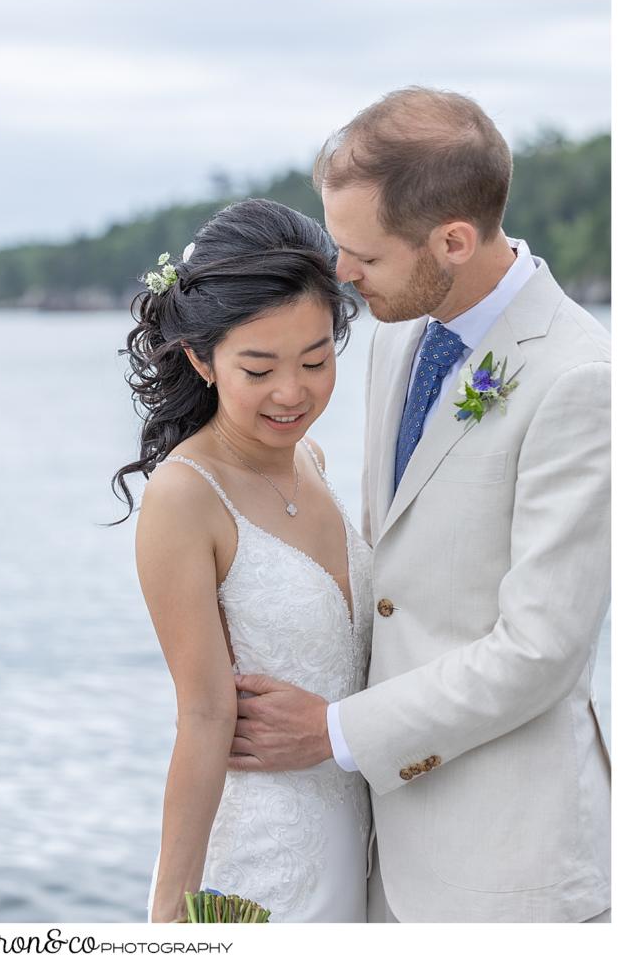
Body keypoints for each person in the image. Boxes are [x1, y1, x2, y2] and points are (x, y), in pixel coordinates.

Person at [228, 88, 611, 923]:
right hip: (373, 857)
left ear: (453, 240)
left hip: (505, 868)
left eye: (362, 253)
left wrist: (333, 733)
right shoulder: (401, 327)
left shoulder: (578, 380)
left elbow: (541, 651)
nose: (341, 273)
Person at [112, 199, 373, 923]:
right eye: (258, 368)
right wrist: (170, 912)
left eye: (315, 360)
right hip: (264, 862)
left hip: (362, 840)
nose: (292, 393)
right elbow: (200, 715)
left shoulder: (313, 462)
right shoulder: (185, 498)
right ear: (202, 358)